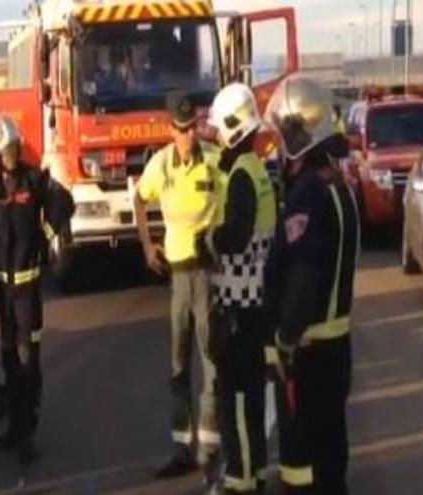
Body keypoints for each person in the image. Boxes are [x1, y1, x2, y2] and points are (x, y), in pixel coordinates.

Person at [263, 75, 359, 495]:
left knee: (302, 461)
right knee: (331, 454)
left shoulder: (307, 197)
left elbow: (303, 278)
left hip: (310, 352)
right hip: (337, 348)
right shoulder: (339, 188)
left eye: (284, 134)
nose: (278, 143)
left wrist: (283, 338)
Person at [134, 91, 225, 479]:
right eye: (181, 130)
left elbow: (238, 200)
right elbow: (139, 198)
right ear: (170, 129)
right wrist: (145, 242)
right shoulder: (161, 165)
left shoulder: (215, 161)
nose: (187, 137)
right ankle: (180, 449)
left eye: (191, 129)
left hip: (207, 273)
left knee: (211, 362)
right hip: (177, 276)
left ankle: (208, 448)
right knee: (177, 364)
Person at [0, 116, 73, 464]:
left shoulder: (34, 180)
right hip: (3, 289)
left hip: (28, 290)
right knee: (8, 358)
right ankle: (15, 427)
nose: (11, 155)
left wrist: (52, 230)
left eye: (14, 148)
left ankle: (28, 433)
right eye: (5, 150)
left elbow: (63, 207)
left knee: (27, 361)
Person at [201, 83, 278, 494]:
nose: (214, 135)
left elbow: (237, 235)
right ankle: (254, 471)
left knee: (238, 401)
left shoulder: (244, 176)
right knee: (248, 397)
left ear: (233, 127)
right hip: (256, 303)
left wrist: (210, 239)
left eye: (218, 128)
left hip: (241, 306)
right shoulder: (257, 168)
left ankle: (241, 480)